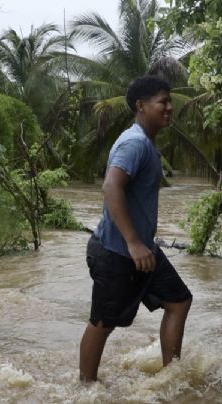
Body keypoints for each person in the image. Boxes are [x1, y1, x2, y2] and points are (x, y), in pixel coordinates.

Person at [79, 76, 193, 382]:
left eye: (170, 101)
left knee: (179, 300)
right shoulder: (134, 143)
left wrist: (141, 244)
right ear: (140, 106)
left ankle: (172, 376)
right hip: (118, 253)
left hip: (142, 251)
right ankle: (85, 389)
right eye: (162, 102)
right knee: (103, 323)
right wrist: (133, 242)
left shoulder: (145, 142)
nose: (169, 107)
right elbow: (111, 187)